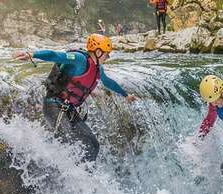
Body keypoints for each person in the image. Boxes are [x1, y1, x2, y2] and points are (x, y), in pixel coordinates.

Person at [12, 34, 137, 162]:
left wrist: (126, 95)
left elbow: (108, 82)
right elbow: (55, 55)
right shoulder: (79, 59)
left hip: (68, 108)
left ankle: (83, 171)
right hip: (54, 105)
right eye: (107, 54)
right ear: (98, 52)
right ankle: (47, 165)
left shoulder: (98, 68)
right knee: (68, 139)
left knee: (93, 144)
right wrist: (31, 54)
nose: (108, 57)